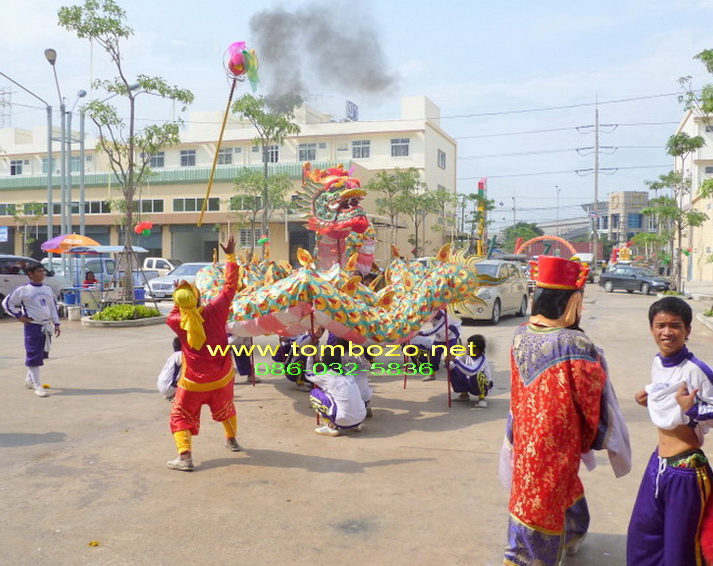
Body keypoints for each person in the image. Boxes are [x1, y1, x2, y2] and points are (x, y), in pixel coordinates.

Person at [502, 255, 630, 565]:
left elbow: (517, 390)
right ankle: (532, 557)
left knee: (529, 493)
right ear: (572, 301)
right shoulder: (575, 343)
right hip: (558, 439)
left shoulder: (520, 333)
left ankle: (572, 532)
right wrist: (591, 436)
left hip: (526, 433)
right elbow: (590, 398)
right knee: (546, 498)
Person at [627, 296, 713, 565]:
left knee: (680, 550)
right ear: (651, 328)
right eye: (660, 325)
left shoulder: (698, 370)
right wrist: (649, 396)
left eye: (675, 326)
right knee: (642, 538)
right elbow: (664, 391)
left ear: (688, 330)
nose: (667, 332)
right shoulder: (657, 362)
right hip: (659, 465)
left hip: (686, 472)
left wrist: (693, 410)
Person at [165, 235, 240, 472]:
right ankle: (231, 440)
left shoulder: (175, 320)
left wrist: (180, 298)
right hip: (222, 376)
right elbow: (230, 286)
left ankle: (185, 457)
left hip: (193, 382)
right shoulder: (215, 310)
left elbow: (180, 309)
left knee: (179, 415)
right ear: (198, 297)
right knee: (226, 406)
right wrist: (230, 256)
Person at [2, 264, 61, 398]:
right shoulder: (23, 290)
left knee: (40, 354)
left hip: (46, 326)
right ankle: (38, 386)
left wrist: (56, 323)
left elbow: (53, 307)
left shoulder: (47, 289)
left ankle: (29, 380)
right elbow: (7, 303)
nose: (42, 274)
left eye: (43, 272)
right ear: (31, 274)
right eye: (39, 272)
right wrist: (18, 316)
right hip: (33, 326)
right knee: (33, 354)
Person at [307, 351, 367, 436]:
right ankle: (355, 425)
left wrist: (309, 357)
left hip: (343, 420)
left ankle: (331, 427)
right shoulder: (347, 371)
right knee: (340, 395)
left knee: (315, 393)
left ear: (324, 361)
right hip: (360, 416)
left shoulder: (325, 375)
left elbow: (308, 374)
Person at [448, 334, 492, 408]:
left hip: (483, 384)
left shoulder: (482, 359)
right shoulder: (464, 352)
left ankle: (482, 398)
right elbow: (452, 365)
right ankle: (464, 395)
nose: (466, 348)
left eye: (469, 347)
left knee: (476, 375)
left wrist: (455, 361)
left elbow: (472, 371)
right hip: (469, 380)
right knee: (454, 369)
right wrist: (448, 362)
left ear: (476, 350)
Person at [157, 337, 182, 401]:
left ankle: (171, 395)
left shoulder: (173, 356)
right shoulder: (181, 355)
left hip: (161, 384)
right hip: (169, 388)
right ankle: (177, 396)